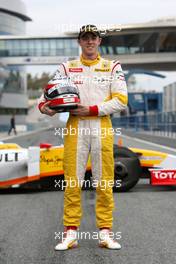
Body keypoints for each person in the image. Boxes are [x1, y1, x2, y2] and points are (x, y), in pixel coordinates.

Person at [38, 25, 128, 250]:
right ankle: (70, 234)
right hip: (75, 129)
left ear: (99, 42)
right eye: (85, 38)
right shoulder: (67, 67)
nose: (89, 41)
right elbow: (45, 96)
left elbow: (121, 100)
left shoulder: (112, 67)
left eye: (93, 38)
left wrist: (92, 110)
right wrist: (45, 107)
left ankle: (105, 233)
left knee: (104, 182)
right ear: (79, 42)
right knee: (72, 182)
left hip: (101, 128)